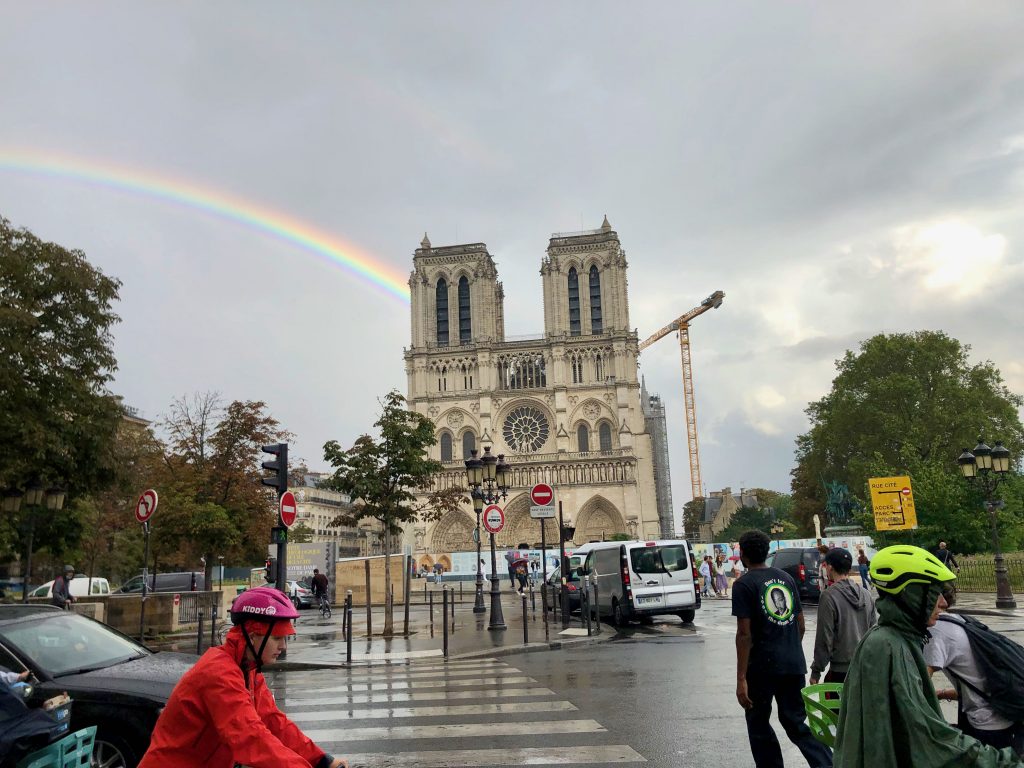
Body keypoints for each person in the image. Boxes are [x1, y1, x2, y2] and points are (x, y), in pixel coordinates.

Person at [833, 545, 1021, 767]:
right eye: (934, 593)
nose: (943, 603)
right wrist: (1002, 762)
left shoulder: (893, 638)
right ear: (910, 595)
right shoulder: (889, 646)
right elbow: (926, 735)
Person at [138, 587, 347, 768]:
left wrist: (321, 760)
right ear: (253, 635)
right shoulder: (219, 672)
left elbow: (273, 721)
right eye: (277, 638)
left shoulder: (247, 669)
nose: (283, 647)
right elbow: (248, 736)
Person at [733, 530, 833, 768]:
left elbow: (744, 634)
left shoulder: (744, 584)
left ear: (743, 554)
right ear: (767, 552)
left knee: (758, 724)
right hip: (792, 663)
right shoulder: (785, 578)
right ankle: (827, 763)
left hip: (761, 668)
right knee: (796, 722)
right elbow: (800, 623)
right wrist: (788, 649)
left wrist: (741, 678)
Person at [925, 586, 1023, 755]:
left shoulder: (935, 632)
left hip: (987, 725)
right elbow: (977, 682)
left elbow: (919, 687)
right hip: (1009, 714)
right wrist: (941, 693)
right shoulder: (961, 620)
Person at [809, 548, 877, 686]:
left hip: (840, 672)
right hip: (865, 669)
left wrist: (816, 671)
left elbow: (824, 637)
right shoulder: (866, 594)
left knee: (838, 708)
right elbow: (874, 631)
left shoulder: (828, 596)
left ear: (830, 567)